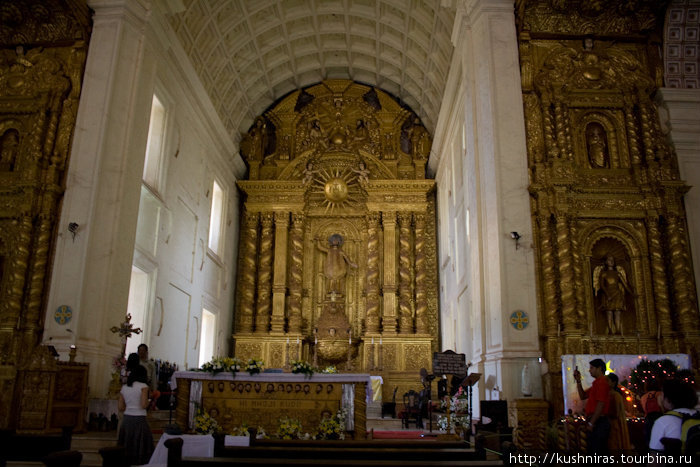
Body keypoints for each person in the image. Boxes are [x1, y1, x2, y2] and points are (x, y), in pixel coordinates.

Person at [649, 378, 699, 454]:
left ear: (668, 399)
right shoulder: (697, 415)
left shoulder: (663, 421)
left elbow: (655, 461)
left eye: (662, 394)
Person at [118, 365, 154, 466]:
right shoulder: (143, 386)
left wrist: (130, 407)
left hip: (127, 419)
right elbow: (143, 405)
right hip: (139, 419)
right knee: (140, 448)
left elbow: (120, 407)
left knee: (126, 445)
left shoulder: (124, 387)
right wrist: (150, 399)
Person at [574, 358, 610, 454]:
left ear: (599, 368)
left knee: (597, 452)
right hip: (595, 420)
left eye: (592, 368)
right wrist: (578, 381)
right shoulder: (597, 383)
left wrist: (592, 423)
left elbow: (601, 404)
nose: (589, 370)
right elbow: (583, 396)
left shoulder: (602, 382)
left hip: (599, 421)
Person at [593, 255, 633, 334]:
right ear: (606, 262)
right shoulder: (603, 273)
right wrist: (607, 295)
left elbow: (625, 285)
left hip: (617, 294)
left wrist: (632, 293)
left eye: (612, 260)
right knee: (609, 312)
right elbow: (602, 285)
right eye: (609, 260)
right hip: (608, 294)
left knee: (617, 312)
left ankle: (618, 330)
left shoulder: (617, 273)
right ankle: (610, 329)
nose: (611, 261)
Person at [607, 373, 632, 454]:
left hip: (614, 426)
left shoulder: (615, 395)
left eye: (608, 381)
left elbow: (616, 413)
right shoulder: (609, 394)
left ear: (613, 383)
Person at [138, 344, 160, 410]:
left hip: (147, 386)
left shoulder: (151, 364)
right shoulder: (136, 362)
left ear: (146, 352)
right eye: (140, 350)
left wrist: (154, 390)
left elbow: (153, 377)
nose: (141, 352)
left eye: (143, 350)